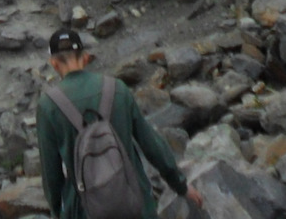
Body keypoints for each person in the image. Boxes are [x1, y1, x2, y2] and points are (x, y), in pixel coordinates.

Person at [37, 29, 203, 219]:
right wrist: (180, 185)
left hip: (85, 211)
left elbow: (52, 176)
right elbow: (151, 144)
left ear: (54, 63)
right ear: (84, 57)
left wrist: (57, 212)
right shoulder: (117, 89)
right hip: (135, 206)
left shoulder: (48, 106)